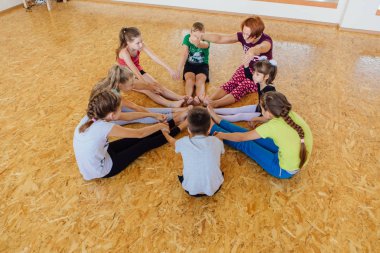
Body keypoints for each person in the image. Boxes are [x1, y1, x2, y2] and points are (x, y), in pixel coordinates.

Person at [73, 89, 187, 180]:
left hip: (99, 157)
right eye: (120, 109)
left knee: (135, 140)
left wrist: (153, 115)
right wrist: (159, 126)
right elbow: (139, 133)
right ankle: (180, 125)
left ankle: (175, 121)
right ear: (112, 115)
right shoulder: (103, 127)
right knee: (144, 143)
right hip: (103, 169)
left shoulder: (93, 116)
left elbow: (128, 116)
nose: (122, 111)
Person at [208, 91, 312, 179]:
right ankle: (219, 121)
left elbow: (241, 138)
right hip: (291, 156)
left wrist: (221, 135)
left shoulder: (272, 126)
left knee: (246, 143)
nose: (260, 111)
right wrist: (258, 118)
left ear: (269, 113)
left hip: (283, 169)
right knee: (247, 134)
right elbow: (268, 120)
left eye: (261, 109)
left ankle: (212, 127)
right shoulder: (289, 114)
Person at [201, 15, 273, 107]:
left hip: (261, 75)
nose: (245, 37)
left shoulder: (266, 41)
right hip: (248, 67)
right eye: (244, 33)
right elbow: (221, 38)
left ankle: (215, 104)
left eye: (248, 35)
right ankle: (210, 99)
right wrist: (202, 36)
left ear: (256, 35)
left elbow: (262, 47)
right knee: (232, 82)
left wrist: (252, 50)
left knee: (243, 86)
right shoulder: (243, 36)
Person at [92, 64, 189, 125]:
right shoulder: (113, 95)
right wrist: (155, 116)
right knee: (141, 116)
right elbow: (135, 107)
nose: (133, 86)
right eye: (131, 85)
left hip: (110, 108)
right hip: (107, 118)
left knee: (146, 111)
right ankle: (177, 114)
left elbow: (138, 85)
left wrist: (151, 87)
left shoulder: (112, 82)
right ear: (120, 84)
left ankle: (176, 110)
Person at [162, 107, 224, 197]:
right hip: (214, 188)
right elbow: (221, 154)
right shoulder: (216, 141)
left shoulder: (183, 142)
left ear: (189, 129)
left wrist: (165, 133)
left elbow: (172, 141)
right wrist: (219, 138)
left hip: (191, 189)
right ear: (209, 129)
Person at [117, 26, 186, 107]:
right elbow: (134, 70)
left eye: (141, 41)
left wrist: (169, 69)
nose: (140, 45)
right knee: (148, 90)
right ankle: (171, 104)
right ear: (128, 42)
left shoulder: (140, 45)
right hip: (126, 76)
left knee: (156, 84)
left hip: (137, 71)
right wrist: (147, 86)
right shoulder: (124, 52)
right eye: (137, 43)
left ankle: (179, 97)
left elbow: (154, 57)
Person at [213, 58, 277, 127]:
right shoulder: (260, 82)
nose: (254, 76)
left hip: (263, 114)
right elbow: (249, 76)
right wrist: (246, 66)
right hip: (258, 107)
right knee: (235, 110)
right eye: (254, 72)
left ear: (266, 77)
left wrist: (257, 119)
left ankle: (215, 116)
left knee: (240, 116)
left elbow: (270, 114)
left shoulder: (270, 91)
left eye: (257, 74)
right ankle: (213, 110)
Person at [176, 22, 210, 106]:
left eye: (200, 37)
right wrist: (179, 69)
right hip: (189, 65)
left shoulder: (206, 40)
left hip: (203, 65)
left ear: (203, 35)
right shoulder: (187, 38)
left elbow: (204, 45)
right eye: (195, 36)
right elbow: (184, 53)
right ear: (190, 33)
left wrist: (197, 42)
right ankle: (189, 96)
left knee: (200, 80)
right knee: (189, 79)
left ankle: (199, 97)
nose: (197, 38)